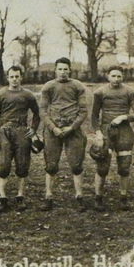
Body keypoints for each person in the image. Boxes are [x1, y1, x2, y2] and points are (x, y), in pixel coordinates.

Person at [0, 65, 41, 211]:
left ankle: (20, 196)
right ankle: (2, 197)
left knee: (22, 164)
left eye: (17, 76)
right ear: (7, 77)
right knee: (3, 165)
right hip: (4, 131)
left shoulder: (28, 95)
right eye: (12, 76)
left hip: (22, 131)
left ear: (21, 77)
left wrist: (33, 129)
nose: (14, 79)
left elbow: (37, 114)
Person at [39, 58, 89, 210]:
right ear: (55, 70)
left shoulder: (77, 86)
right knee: (51, 165)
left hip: (72, 130)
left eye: (65, 69)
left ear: (70, 70)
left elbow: (83, 111)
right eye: (60, 69)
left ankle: (79, 196)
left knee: (76, 164)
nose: (63, 72)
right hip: (53, 130)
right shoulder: (48, 86)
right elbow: (42, 110)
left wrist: (72, 127)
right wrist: (53, 128)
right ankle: (48, 196)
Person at [91, 66, 134, 210]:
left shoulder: (130, 92)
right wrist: (98, 132)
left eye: (119, 76)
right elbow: (94, 116)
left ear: (123, 77)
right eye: (113, 76)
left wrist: (124, 117)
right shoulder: (100, 92)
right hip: (106, 129)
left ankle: (123, 197)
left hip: (124, 131)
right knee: (102, 167)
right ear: (108, 76)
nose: (116, 79)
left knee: (124, 167)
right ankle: (98, 197)